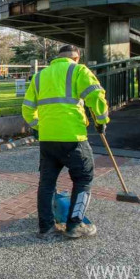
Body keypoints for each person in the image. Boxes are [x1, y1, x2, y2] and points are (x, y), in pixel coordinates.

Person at [21, 45, 109, 240]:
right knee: (83, 179)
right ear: (76, 58)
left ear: (57, 58)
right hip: (73, 138)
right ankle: (74, 226)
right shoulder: (79, 70)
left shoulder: (40, 76)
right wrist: (102, 121)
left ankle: (46, 227)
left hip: (48, 139)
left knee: (46, 184)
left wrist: (38, 126)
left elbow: (27, 109)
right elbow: (96, 96)